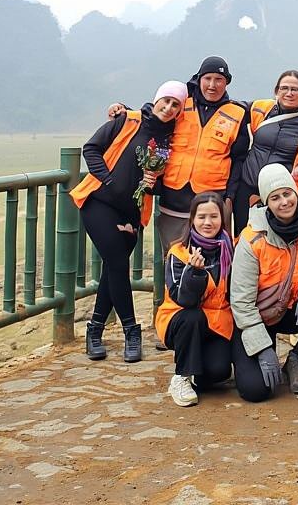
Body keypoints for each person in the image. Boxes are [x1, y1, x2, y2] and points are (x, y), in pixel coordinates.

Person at [72, 81, 185, 363]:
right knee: (118, 263)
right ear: (156, 99)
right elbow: (91, 149)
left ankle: (94, 330)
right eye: (166, 101)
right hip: (98, 202)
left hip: (132, 211)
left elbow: (158, 182)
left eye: (176, 105)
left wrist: (151, 184)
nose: (169, 108)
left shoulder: (168, 141)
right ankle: (131, 332)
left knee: (114, 267)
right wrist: (108, 180)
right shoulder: (127, 119)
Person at [230, 163, 298, 402]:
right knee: (256, 391)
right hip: (257, 319)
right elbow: (241, 303)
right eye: (275, 197)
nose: (284, 202)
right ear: (266, 203)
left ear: (296, 193)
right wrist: (262, 348)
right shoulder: (252, 240)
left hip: (294, 311)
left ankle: (297, 358)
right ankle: (250, 354)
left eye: (287, 193)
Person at [158, 56, 249, 253]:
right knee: (173, 257)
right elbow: (154, 115)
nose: (212, 85)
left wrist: (230, 197)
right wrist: (122, 108)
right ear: (199, 79)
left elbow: (238, 159)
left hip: (212, 198)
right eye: (207, 78)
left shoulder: (238, 113)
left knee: (211, 259)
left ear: (227, 82)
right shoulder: (181, 104)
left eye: (219, 79)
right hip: (173, 197)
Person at [155, 192, 235, 407]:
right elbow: (183, 300)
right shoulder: (178, 252)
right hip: (181, 320)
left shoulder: (231, 249)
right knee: (192, 316)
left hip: (217, 322)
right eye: (201, 217)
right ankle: (181, 376)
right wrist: (195, 274)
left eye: (214, 216)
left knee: (218, 372)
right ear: (192, 219)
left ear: (223, 219)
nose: (208, 223)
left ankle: (199, 368)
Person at [236, 70, 298, 233]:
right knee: (242, 237)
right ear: (276, 91)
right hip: (247, 187)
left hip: (281, 194)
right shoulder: (261, 108)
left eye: (295, 89)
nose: (289, 93)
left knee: (274, 241)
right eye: (284, 88)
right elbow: (231, 109)